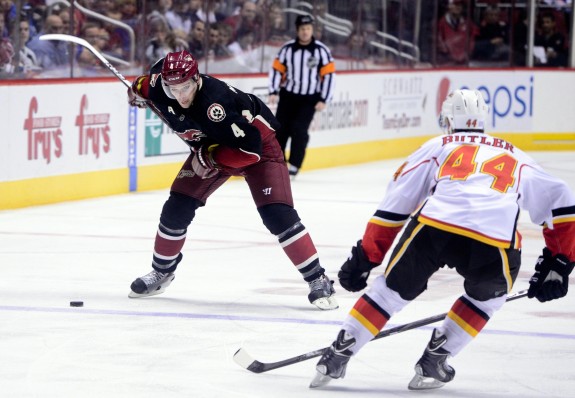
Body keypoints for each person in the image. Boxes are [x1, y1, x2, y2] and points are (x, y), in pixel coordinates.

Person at [309, 89, 575, 389]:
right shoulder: (516, 154)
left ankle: (337, 354)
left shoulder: (437, 145)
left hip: (436, 225)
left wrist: (366, 257)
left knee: (389, 291)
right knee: (487, 297)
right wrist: (560, 261)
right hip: (494, 236)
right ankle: (435, 359)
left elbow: (396, 205)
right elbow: (562, 201)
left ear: (448, 119)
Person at [126, 50, 338, 310]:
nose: (180, 96)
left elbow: (249, 150)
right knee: (176, 208)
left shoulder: (217, 103)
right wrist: (135, 95)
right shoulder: (157, 87)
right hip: (212, 149)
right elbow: (140, 85)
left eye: (185, 88)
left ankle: (318, 280)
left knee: (277, 215)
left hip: (259, 150)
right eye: (173, 90)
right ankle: (161, 273)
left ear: (197, 79)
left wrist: (209, 158)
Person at [268, 14, 335, 178]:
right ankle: (278, 162)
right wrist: (273, 90)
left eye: (308, 29)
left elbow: (329, 75)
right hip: (288, 95)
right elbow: (277, 70)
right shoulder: (287, 49)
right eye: (303, 29)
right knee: (280, 130)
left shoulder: (321, 51)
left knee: (299, 129)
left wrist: (324, 98)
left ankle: (295, 164)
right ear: (297, 30)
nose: (306, 32)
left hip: (309, 98)